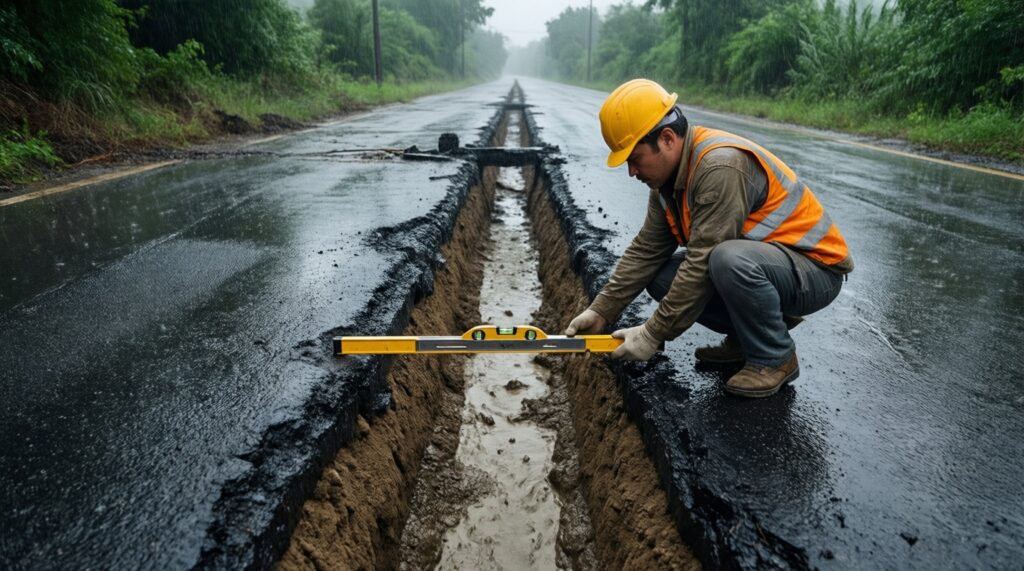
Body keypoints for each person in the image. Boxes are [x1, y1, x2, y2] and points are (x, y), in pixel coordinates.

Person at [564, 79, 853, 398]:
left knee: (726, 259)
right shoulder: (666, 183)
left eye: (635, 158)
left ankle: (775, 357)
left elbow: (702, 262)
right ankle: (746, 339)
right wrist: (602, 310)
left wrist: (652, 334)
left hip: (816, 270)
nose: (632, 171)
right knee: (661, 276)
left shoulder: (719, 167)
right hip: (770, 266)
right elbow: (647, 250)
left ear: (668, 138)